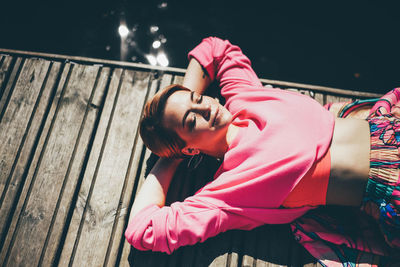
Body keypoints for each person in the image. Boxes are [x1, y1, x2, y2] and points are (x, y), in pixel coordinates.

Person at [125, 37, 400, 263]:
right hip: (392, 184)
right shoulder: (228, 191)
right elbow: (142, 229)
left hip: (390, 128)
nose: (205, 107)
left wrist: (183, 98)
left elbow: (215, 49)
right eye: (190, 120)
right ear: (187, 150)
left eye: (197, 99)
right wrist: (168, 159)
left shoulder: (244, 97)